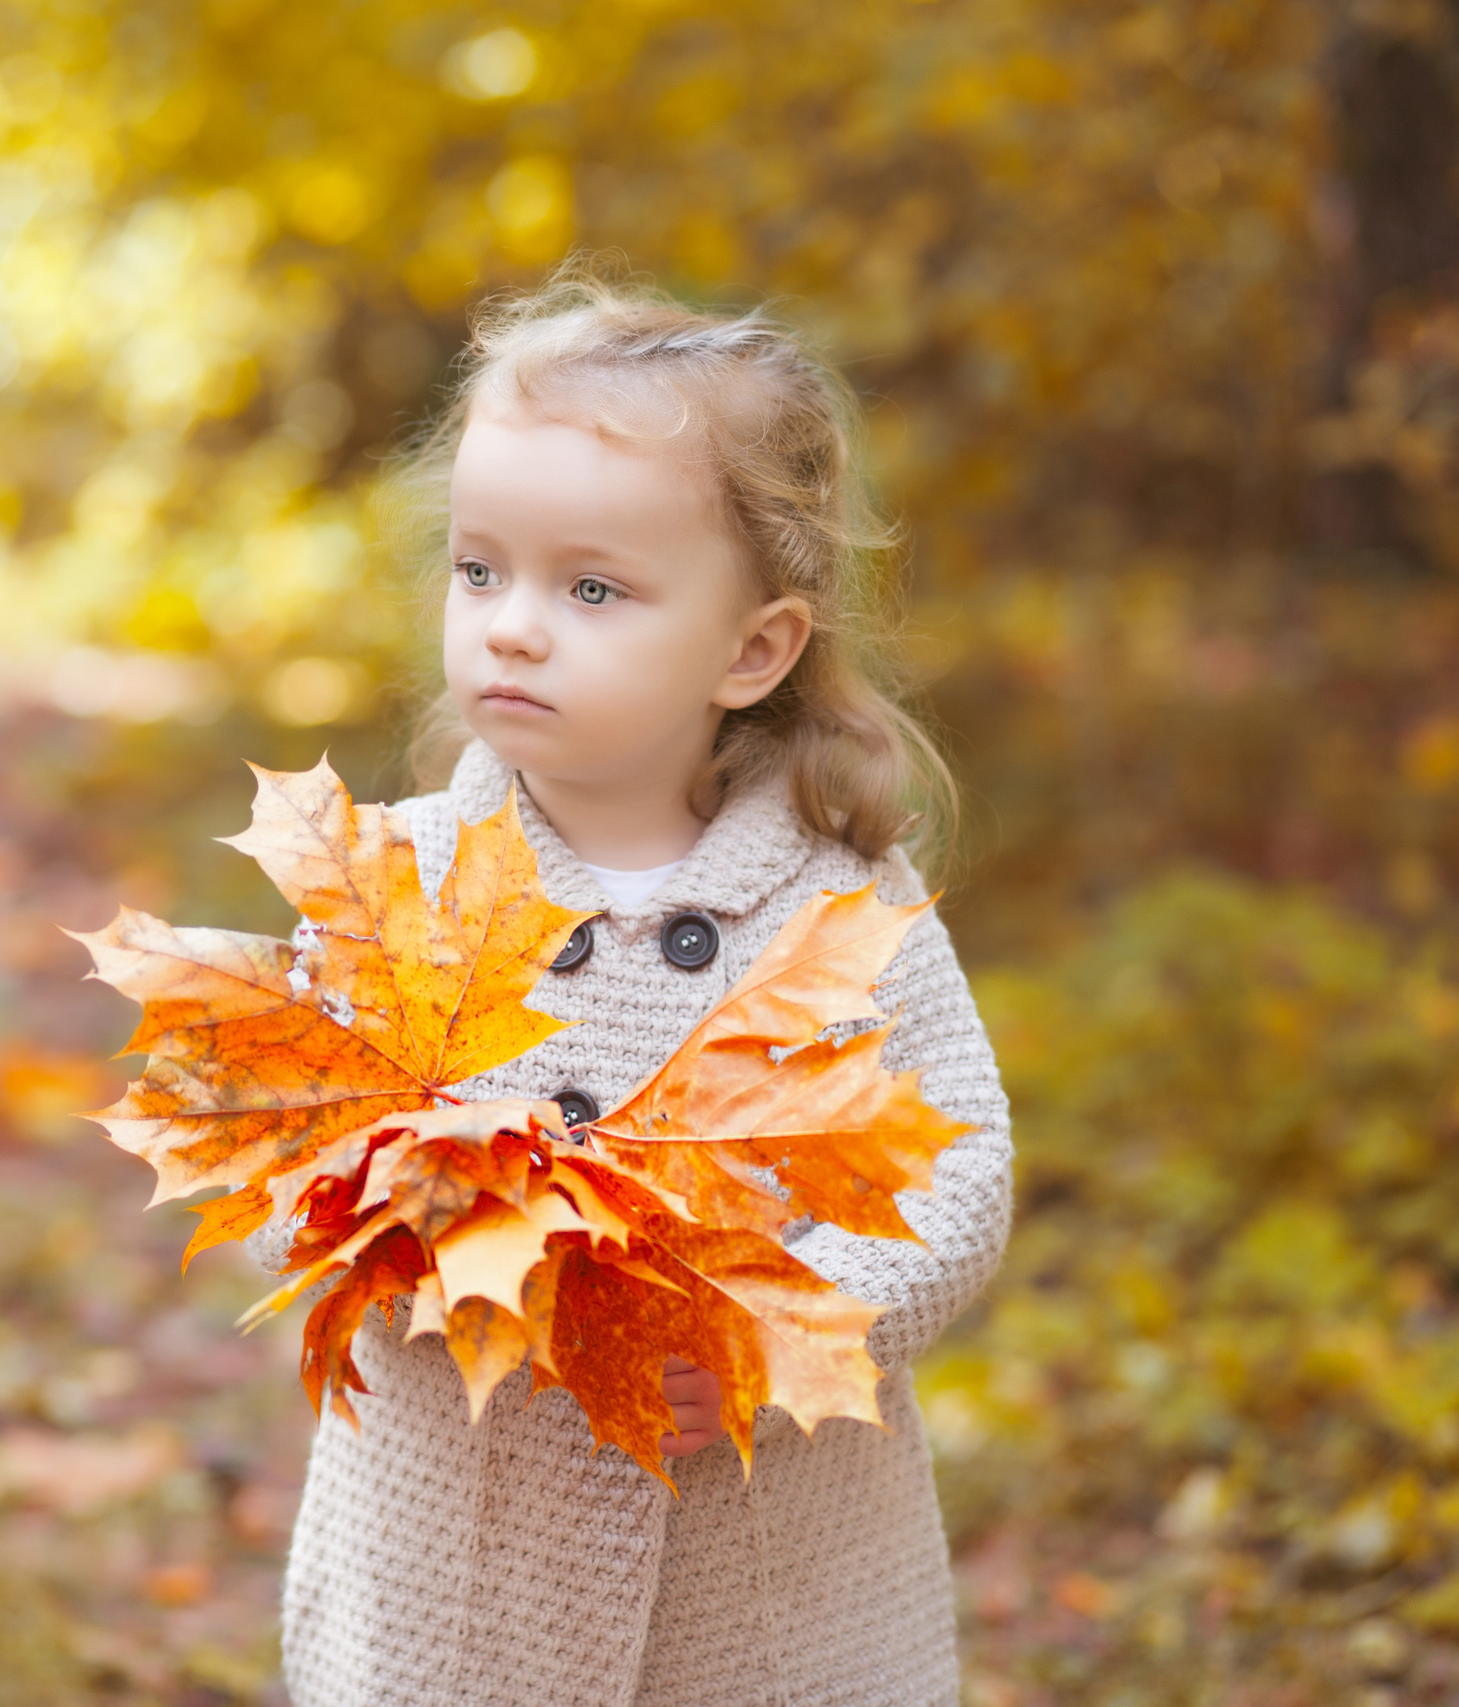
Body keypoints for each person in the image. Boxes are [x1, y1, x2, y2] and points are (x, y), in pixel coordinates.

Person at [262, 271, 1014, 1706]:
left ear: (752, 650)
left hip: (767, 1591)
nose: (514, 625)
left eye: (591, 588)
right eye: (479, 570)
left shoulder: (834, 901)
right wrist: (385, 1228)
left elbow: (957, 1163)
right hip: (460, 1576)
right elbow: (282, 1143)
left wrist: (787, 1321)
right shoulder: (397, 886)